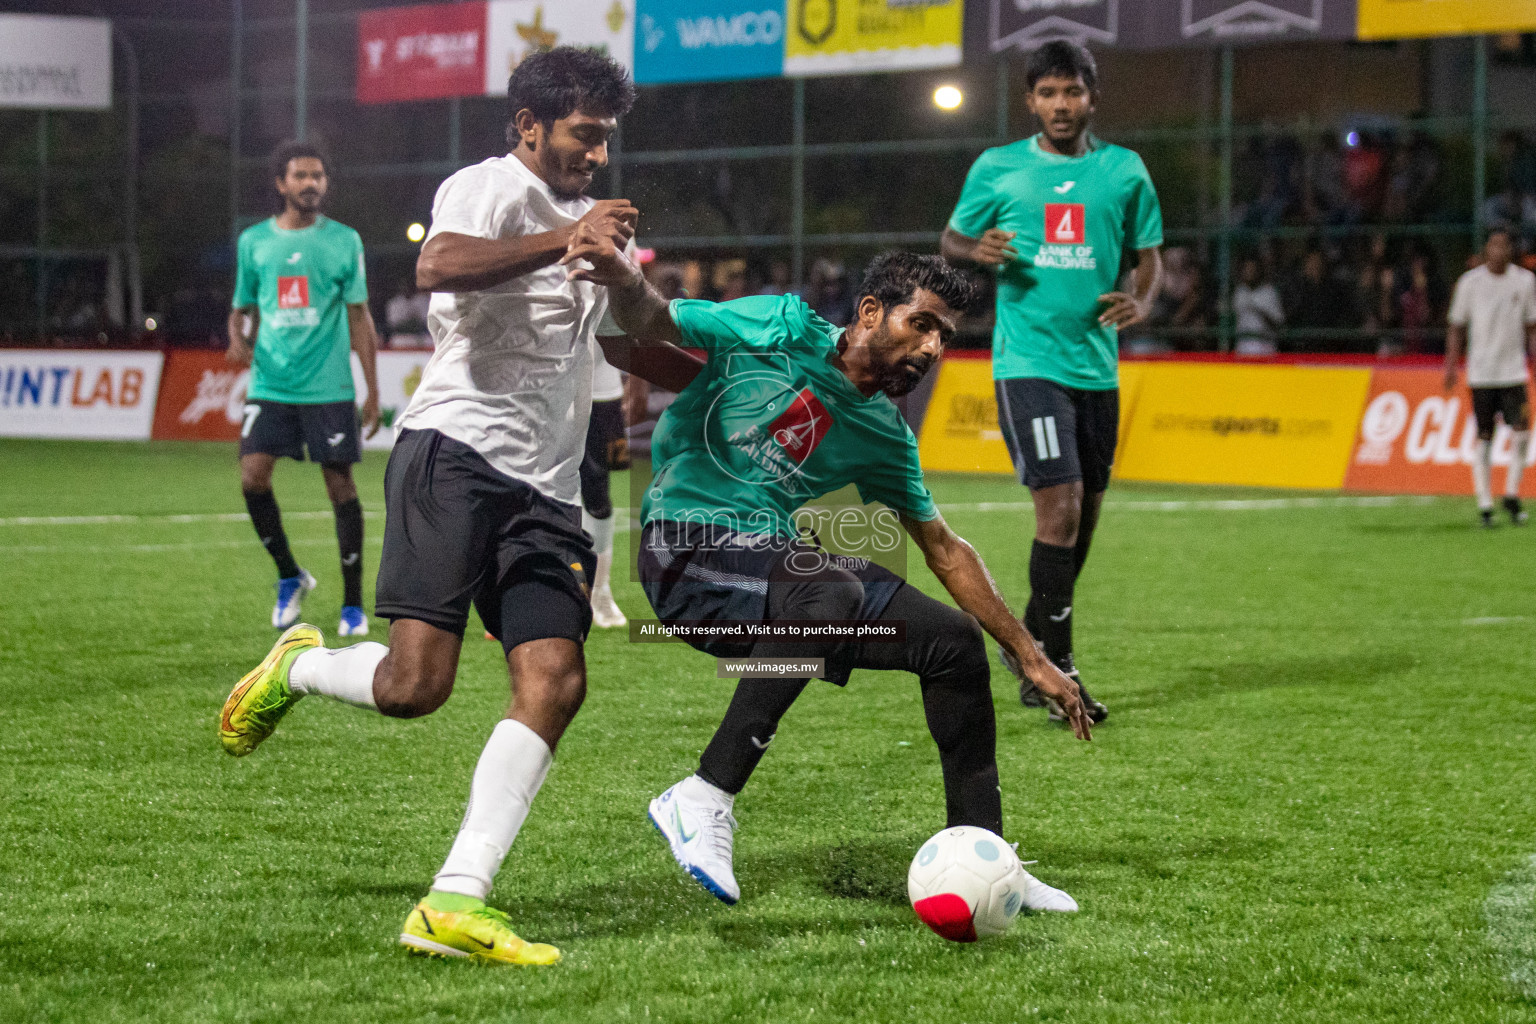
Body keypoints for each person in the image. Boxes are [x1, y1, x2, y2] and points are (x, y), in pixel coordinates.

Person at [218, 47, 651, 966]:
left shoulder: (600, 223)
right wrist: (562, 243)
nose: (597, 156)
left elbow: (635, 337)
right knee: (415, 688)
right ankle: (298, 668)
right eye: (584, 135)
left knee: (557, 681)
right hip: (454, 454)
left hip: (548, 485)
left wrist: (631, 286)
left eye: (606, 140)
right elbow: (437, 264)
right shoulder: (486, 187)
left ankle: (453, 901)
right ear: (531, 125)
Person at [561, 239, 1093, 909]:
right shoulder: (780, 325)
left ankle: (987, 853)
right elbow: (654, 323)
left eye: (944, 337)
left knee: (952, 644)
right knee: (829, 588)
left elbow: (945, 548)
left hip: (773, 566)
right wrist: (620, 282)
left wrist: (1028, 655)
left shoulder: (885, 434)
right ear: (870, 312)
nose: (931, 348)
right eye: (920, 323)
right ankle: (704, 795)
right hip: (686, 552)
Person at [940, 40, 1162, 723]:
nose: (1060, 105)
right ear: (1031, 101)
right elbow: (952, 238)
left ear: (1091, 97)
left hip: (1096, 365)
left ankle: (1029, 641)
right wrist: (976, 250)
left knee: (1085, 516)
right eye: (1047, 94)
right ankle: (1054, 668)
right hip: (1027, 362)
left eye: (1071, 92)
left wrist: (1142, 301)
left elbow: (1148, 256)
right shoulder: (998, 167)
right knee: (1059, 506)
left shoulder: (1124, 171)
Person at [227, 140, 381, 637]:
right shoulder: (254, 242)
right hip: (271, 384)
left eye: (318, 175)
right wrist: (236, 334)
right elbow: (243, 306)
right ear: (281, 183)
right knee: (253, 477)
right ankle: (290, 576)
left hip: (328, 387)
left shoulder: (343, 241)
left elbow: (359, 316)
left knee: (340, 485)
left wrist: (372, 389)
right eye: (300, 175)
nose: (311, 183)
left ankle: (353, 604)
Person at [1445, 227, 1536, 528]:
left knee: (1522, 431)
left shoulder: (1524, 282)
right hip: (1482, 374)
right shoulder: (1470, 284)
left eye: (1504, 245)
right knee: (1485, 437)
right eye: (1494, 244)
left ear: (1510, 249)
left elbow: (1530, 325)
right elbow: (1456, 326)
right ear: (1486, 249)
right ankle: (1485, 504)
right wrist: (1450, 366)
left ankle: (1511, 494)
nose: (1499, 250)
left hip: (1513, 372)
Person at [582, 340, 629, 627]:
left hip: (601, 387)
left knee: (597, 490)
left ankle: (600, 590)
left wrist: (638, 381)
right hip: (543, 385)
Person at [1232, 256, 1284, 357]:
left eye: (1252, 269)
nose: (1249, 272)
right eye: (1247, 269)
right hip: (1243, 348)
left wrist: (1259, 311)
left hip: (1265, 349)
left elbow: (1278, 323)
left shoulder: (1268, 292)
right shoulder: (1240, 291)